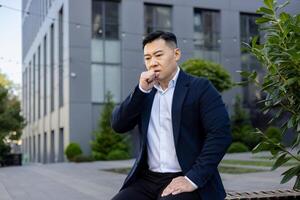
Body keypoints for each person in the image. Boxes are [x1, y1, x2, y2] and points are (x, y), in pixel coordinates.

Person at [111, 31, 232, 200]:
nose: (153, 63)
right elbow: (118, 125)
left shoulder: (201, 88)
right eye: (147, 58)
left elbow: (221, 135)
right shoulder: (145, 92)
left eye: (158, 55)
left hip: (186, 176)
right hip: (147, 179)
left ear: (176, 54)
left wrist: (192, 179)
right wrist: (140, 91)